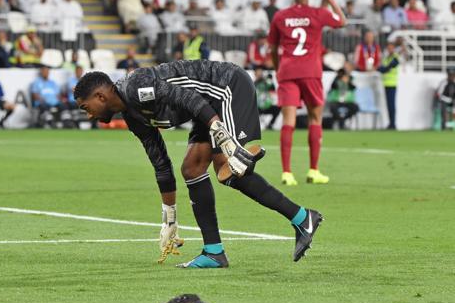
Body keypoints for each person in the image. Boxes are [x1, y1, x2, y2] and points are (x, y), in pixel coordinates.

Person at [73, 59, 324, 268]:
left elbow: (185, 96)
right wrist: (169, 219)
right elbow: (161, 164)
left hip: (227, 87)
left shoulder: (137, 86)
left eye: (87, 107)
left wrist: (219, 130)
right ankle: (214, 252)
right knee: (192, 169)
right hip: (206, 106)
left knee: (229, 171)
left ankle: (299, 214)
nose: (89, 114)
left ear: (100, 96)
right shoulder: (134, 117)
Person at [268, 0, 346, 186]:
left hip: (288, 71)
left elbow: (272, 48)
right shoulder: (317, 14)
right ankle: (313, 170)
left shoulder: (281, 16)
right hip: (311, 71)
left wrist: (278, 69)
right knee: (315, 118)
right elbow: (342, 20)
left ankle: (287, 173)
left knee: (288, 122)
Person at [377, 40, 400, 130]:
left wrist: (381, 68)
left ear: (394, 48)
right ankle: (391, 123)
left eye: (391, 47)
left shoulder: (395, 58)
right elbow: (382, 68)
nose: (390, 49)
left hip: (392, 84)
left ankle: (393, 124)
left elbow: (385, 69)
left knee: (391, 105)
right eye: (388, 47)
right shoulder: (386, 58)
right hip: (386, 84)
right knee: (388, 105)